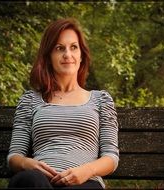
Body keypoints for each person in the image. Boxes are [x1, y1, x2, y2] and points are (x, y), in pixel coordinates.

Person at [7, 18, 119, 189]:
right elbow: (14, 156)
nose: (68, 54)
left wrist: (86, 171)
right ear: (48, 56)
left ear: (81, 55)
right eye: (59, 48)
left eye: (73, 47)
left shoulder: (101, 100)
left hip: (85, 183)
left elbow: (111, 157)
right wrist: (27, 164)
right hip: (39, 182)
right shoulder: (30, 100)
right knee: (30, 180)